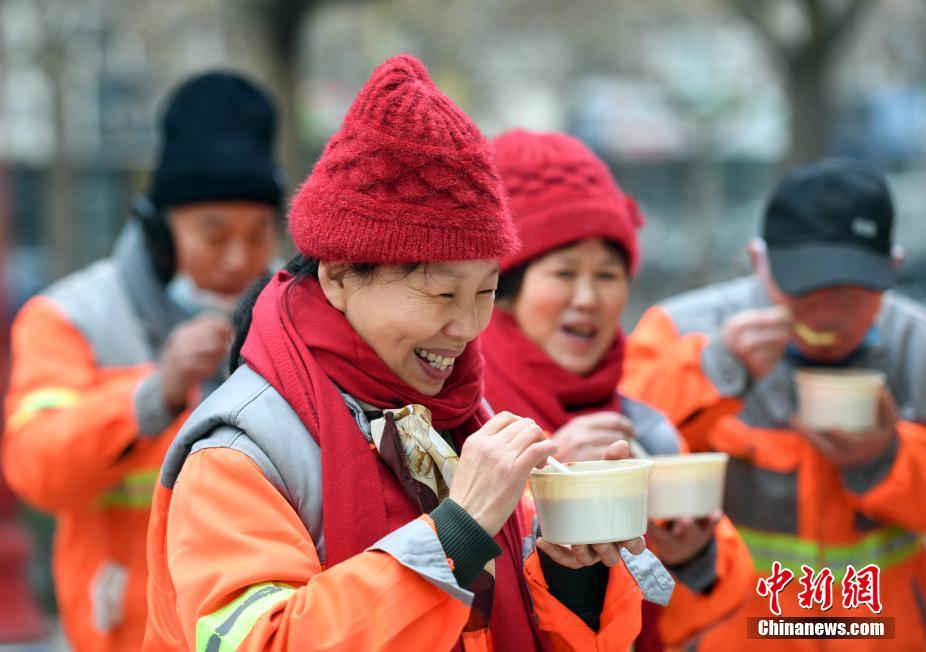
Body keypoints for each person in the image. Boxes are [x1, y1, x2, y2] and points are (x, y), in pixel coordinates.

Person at [143, 55, 656, 652]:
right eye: (442, 292)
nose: (466, 327)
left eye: (486, 291)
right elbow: (267, 642)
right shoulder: (242, 452)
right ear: (338, 275)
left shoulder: (461, 422)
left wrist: (574, 572)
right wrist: (457, 532)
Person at [3, 71, 282, 651]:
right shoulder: (70, 316)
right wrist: (156, 392)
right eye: (214, 234)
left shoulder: (287, 316)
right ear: (159, 231)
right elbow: (35, 469)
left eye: (258, 235)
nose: (238, 259)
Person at [622, 159, 926, 650]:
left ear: (893, 267)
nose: (827, 310)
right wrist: (719, 371)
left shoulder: (918, 345)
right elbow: (624, 453)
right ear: (758, 260)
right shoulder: (680, 331)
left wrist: (887, 459)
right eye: (805, 285)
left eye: (852, 289)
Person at [482, 129, 754, 650]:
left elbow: (699, 616)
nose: (587, 298)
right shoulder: (462, 416)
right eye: (564, 272)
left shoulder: (643, 426)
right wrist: (545, 488)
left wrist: (691, 556)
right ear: (506, 288)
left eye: (607, 274)